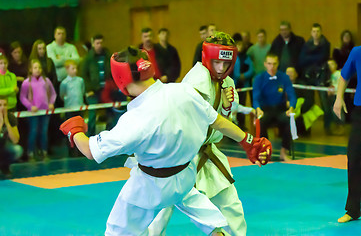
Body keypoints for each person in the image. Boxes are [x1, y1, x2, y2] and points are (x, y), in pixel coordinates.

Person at [59, 46, 272, 236]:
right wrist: (247, 140)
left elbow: (89, 150)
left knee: (116, 231)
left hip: (152, 186)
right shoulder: (184, 91)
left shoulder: (135, 120)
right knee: (206, 215)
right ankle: (216, 230)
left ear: (121, 80)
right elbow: (218, 121)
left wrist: (74, 130)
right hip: (185, 178)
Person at [149, 31, 255, 236]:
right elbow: (197, 123)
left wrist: (226, 109)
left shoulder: (228, 84)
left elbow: (221, 126)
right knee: (163, 208)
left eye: (226, 64)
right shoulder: (196, 82)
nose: (221, 68)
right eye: (217, 63)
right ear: (208, 59)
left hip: (208, 153)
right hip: (181, 153)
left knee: (230, 202)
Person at [333, 45, 361, 223]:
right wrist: (338, 98)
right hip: (360, 111)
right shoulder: (357, 52)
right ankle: (353, 209)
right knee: (354, 157)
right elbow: (344, 75)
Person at [253, 53, 297, 161]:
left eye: (274, 64)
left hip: (280, 109)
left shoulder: (284, 77)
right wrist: (258, 109)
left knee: (289, 120)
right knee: (261, 121)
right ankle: (266, 152)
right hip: (265, 109)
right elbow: (255, 97)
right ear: (265, 64)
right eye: (269, 64)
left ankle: (283, 152)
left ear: (278, 64)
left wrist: (291, 108)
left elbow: (292, 95)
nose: (272, 67)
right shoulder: (259, 78)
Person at [20, 59, 57, 161]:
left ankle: (44, 152)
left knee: (44, 132)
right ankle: (31, 153)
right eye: (35, 67)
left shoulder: (46, 81)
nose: (38, 70)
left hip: (45, 112)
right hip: (33, 113)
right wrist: (30, 106)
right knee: (33, 131)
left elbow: (53, 93)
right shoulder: (27, 82)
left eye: (39, 67)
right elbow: (22, 97)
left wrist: (51, 103)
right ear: (31, 69)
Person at [299, 23, 331, 134]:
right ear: (311, 33)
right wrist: (313, 57)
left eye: (317, 31)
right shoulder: (307, 44)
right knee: (309, 103)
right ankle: (308, 128)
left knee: (324, 103)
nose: (316, 34)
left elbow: (323, 57)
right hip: (309, 76)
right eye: (313, 31)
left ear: (321, 32)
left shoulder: (326, 44)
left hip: (321, 77)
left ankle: (328, 128)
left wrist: (310, 57)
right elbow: (302, 60)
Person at [81, 34, 112, 136]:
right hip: (93, 90)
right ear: (93, 44)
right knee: (92, 115)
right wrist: (88, 89)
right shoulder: (88, 58)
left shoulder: (108, 56)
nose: (99, 45)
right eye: (97, 43)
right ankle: (90, 136)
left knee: (110, 113)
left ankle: (110, 135)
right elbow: (84, 75)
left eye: (101, 43)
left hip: (106, 89)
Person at [60, 60, 85, 157]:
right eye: (72, 68)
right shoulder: (64, 83)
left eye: (76, 68)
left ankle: (81, 150)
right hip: (69, 109)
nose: (75, 71)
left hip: (79, 107)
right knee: (70, 131)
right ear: (67, 69)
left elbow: (82, 91)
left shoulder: (80, 80)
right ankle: (71, 151)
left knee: (80, 129)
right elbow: (62, 95)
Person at [232, 33, 255, 129]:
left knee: (243, 103)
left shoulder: (246, 57)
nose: (239, 47)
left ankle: (242, 124)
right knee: (233, 104)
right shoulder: (233, 57)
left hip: (244, 84)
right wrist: (238, 76)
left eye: (241, 45)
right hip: (235, 83)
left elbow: (251, 70)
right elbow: (232, 70)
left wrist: (244, 76)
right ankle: (233, 124)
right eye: (237, 45)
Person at [0, 96, 22, 178]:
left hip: (4, 146)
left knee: (17, 149)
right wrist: (1, 124)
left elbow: (15, 140)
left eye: (5, 105)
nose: (2, 107)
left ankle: (4, 166)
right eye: (0, 105)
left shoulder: (10, 117)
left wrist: (7, 123)